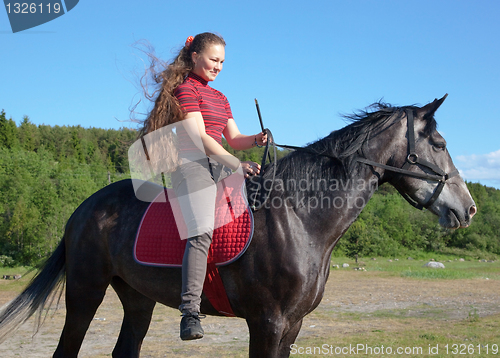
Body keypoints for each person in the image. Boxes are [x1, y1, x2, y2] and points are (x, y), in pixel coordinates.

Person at [138, 32, 267, 340]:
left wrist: (257, 139)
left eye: (222, 62)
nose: (218, 66)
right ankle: (190, 311)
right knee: (201, 230)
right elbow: (199, 138)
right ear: (195, 56)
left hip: (221, 164)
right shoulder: (185, 90)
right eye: (213, 59)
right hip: (192, 166)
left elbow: (234, 139)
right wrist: (238, 164)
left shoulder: (221, 97)